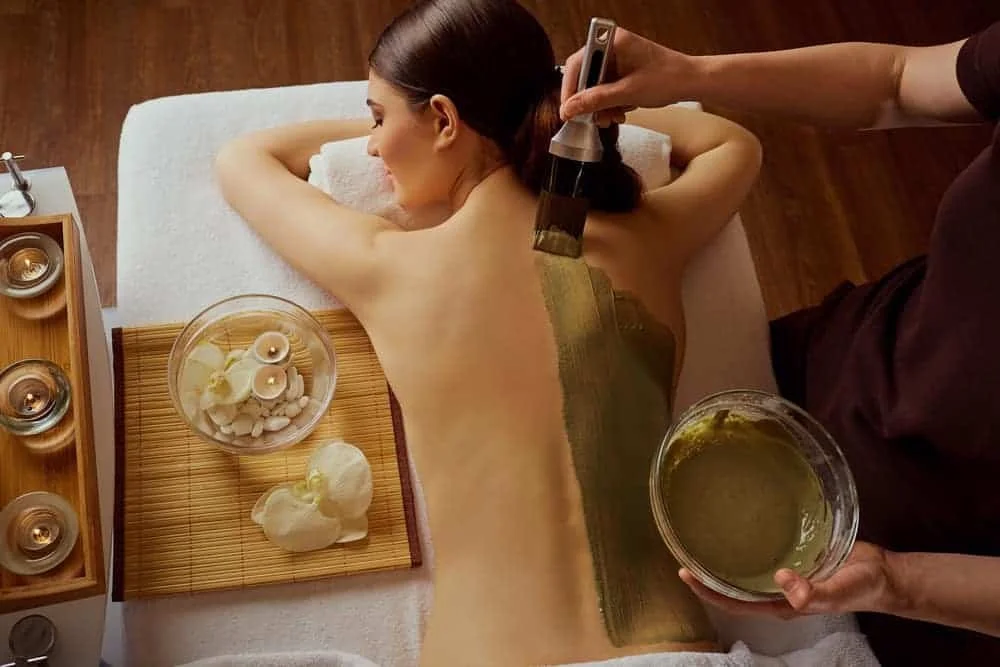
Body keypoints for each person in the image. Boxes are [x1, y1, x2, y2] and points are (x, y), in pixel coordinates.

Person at [215, 0, 762, 664]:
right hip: (670, 649)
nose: (368, 145)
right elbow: (732, 143)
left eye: (377, 117)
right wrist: (567, 104)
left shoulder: (392, 269)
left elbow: (245, 159)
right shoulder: (649, 237)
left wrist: (503, 113)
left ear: (445, 118)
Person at [560, 21, 1000, 667]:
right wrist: (689, 74)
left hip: (923, 577)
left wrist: (898, 581)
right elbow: (896, 82)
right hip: (839, 361)